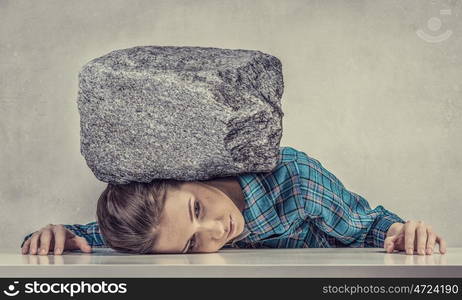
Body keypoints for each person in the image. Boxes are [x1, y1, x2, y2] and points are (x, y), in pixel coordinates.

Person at [20, 147, 447, 256]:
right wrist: (60, 234)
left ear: (189, 176)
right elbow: (101, 238)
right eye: (190, 244)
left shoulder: (292, 178)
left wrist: (400, 231)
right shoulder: (159, 230)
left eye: (197, 210)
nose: (214, 232)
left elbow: (365, 226)